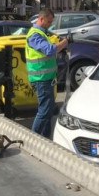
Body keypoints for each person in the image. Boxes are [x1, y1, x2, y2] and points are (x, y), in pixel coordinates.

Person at [25, 8, 68, 138]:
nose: (50, 24)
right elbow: (49, 50)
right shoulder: (34, 35)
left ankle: (45, 138)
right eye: (48, 22)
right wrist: (64, 43)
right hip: (41, 79)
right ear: (41, 19)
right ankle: (34, 139)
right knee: (44, 111)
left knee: (48, 111)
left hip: (46, 78)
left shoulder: (42, 33)